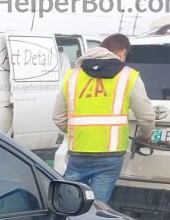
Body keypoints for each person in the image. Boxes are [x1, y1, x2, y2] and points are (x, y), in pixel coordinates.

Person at [53, 33, 155, 200]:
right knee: (98, 206)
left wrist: (78, 132)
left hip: (78, 150)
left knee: (68, 202)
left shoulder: (73, 75)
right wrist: (145, 136)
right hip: (110, 154)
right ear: (122, 52)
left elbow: (58, 116)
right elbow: (146, 117)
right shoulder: (128, 76)